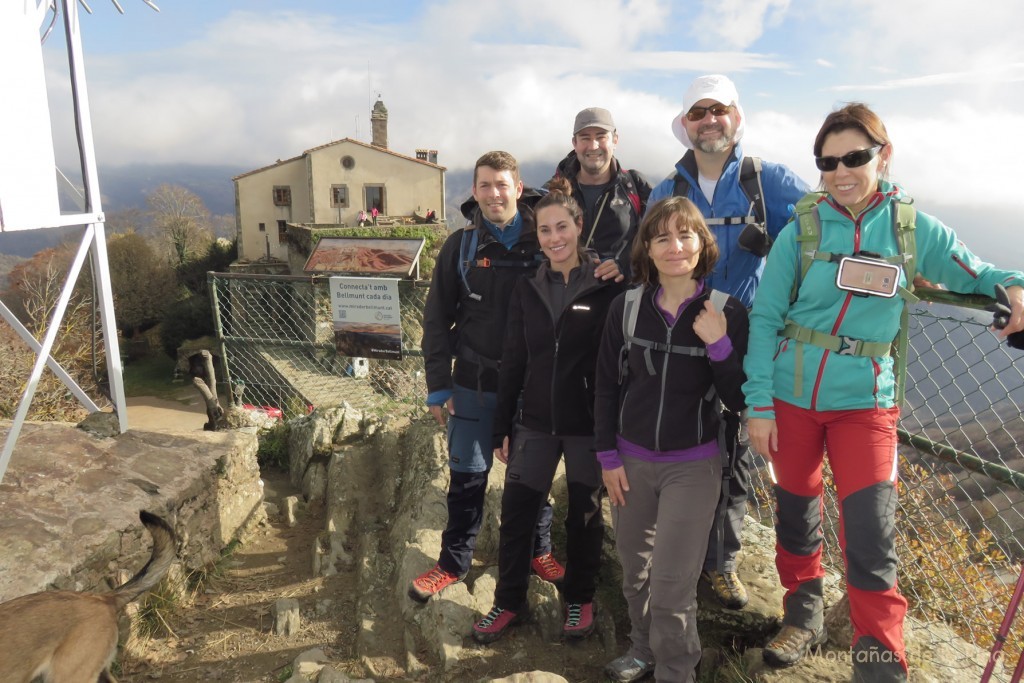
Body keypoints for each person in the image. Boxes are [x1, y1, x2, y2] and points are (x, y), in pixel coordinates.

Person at [743, 102, 1024, 682]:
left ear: (883, 155)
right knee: (796, 513)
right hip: (791, 401)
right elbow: (765, 319)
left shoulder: (912, 228)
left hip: (866, 405)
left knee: (871, 535)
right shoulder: (803, 229)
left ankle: (879, 664)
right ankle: (804, 615)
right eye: (828, 161)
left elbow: (978, 271)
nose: (841, 171)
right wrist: (759, 404)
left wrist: (1017, 287)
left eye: (855, 157)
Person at [414, 151, 620, 604]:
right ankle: (453, 562)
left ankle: (539, 551)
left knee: (533, 477)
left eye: (501, 184)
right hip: (474, 382)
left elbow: (582, 274)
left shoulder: (545, 239)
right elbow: (436, 319)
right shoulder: (461, 247)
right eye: (484, 185)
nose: (493, 194)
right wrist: (439, 384)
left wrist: (616, 270)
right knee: (467, 477)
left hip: (532, 385)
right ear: (474, 191)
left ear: (518, 188)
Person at [648, 74, 810, 610]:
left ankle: (720, 565)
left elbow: (822, 224)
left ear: (735, 118)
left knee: (734, 451)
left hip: (745, 331)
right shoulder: (667, 189)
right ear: (686, 125)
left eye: (719, 110)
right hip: (680, 325)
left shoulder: (768, 181)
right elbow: (644, 254)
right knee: (679, 439)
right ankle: (675, 554)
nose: (709, 120)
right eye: (698, 112)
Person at [594, 197, 749, 682]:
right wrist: (607, 456)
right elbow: (604, 385)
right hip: (629, 462)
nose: (674, 247)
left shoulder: (726, 311)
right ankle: (643, 650)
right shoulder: (628, 308)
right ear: (648, 248)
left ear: (702, 245)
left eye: (685, 236)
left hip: (693, 466)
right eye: (662, 237)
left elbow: (739, 399)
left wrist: (719, 345)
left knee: (671, 585)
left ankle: (676, 671)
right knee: (634, 571)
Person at [471, 177, 624, 644]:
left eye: (562, 227)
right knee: (517, 514)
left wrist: (610, 432)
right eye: (544, 231)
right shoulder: (527, 288)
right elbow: (514, 358)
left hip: (586, 426)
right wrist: (502, 425)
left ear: (579, 227)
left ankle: (579, 599)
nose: (554, 238)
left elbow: (616, 362)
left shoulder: (605, 286)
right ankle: (509, 601)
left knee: (584, 516)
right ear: (536, 236)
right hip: (534, 422)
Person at [550, 107, 651, 279]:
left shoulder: (636, 187)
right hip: (566, 297)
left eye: (601, 137)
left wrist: (624, 263)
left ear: (615, 140)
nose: (593, 145)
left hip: (621, 298)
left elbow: (657, 238)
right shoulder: (553, 191)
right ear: (574, 143)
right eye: (585, 138)